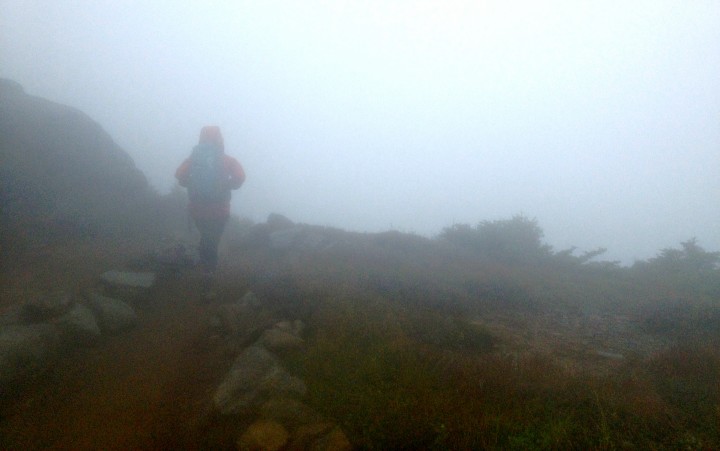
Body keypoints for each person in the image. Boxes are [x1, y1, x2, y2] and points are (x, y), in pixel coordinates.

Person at [175, 126, 245, 292]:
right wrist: (229, 185)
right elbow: (240, 177)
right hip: (220, 210)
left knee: (206, 236)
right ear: (220, 139)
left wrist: (189, 183)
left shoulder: (193, 159)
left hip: (197, 209)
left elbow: (179, 175)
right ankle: (209, 272)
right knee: (212, 239)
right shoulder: (227, 160)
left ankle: (206, 265)